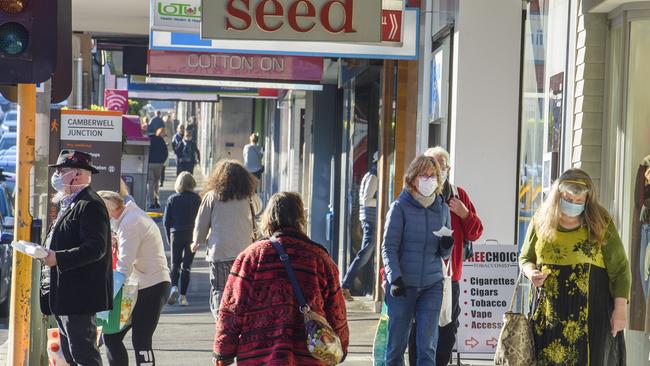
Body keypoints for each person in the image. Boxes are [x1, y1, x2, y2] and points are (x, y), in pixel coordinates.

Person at [212, 192, 349, 366]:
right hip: (307, 356)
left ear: (268, 217)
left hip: (259, 356)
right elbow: (336, 308)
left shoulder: (251, 256)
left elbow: (232, 307)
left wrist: (223, 351)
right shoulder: (319, 257)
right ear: (300, 218)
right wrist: (340, 346)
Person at [519, 168, 631, 365]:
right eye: (568, 199)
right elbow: (526, 258)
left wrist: (620, 309)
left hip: (592, 319)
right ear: (557, 195)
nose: (573, 204)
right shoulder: (541, 219)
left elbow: (620, 268)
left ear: (588, 200)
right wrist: (531, 273)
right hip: (547, 317)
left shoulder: (600, 222)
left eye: (579, 201)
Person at [407, 147, 484, 366]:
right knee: (419, 329)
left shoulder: (458, 196)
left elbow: (476, 232)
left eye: (442, 165)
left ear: (448, 168)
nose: (437, 169)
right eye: (432, 163)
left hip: (450, 278)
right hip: (420, 275)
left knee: (447, 331)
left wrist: (465, 214)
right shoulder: (415, 195)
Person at [40, 150, 112, 365]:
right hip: (65, 295)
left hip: (79, 296)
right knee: (72, 355)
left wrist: (58, 258)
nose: (58, 175)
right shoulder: (70, 202)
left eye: (63, 170)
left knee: (83, 354)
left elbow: (95, 248)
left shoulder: (90, 204)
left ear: (78, 174)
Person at [381, 154, 453, 366]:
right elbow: (388, 246)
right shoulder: (399, 207)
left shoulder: (442, 209)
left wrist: (447, 246)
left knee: (427, 346)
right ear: (413, 178)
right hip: (402, 286)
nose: (429, 180)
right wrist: (395, 278)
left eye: (433, 176)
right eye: (424, 175)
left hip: (432, 285)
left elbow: (444, 255)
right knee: (396, 346)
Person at [98, 191, 171, 366]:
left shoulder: (131, 223)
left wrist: (104, 298)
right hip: (142, 286)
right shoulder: (128, 217)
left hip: (152, 286)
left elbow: (124, 267)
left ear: (107, 210)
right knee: (112, 336)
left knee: (141, 339)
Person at [191, 159, 261, 320]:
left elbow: (202, 221)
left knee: (220, 289)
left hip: (220, 251)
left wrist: (197, 241)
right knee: (242, 288)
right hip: (245, 252)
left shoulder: (212, 196)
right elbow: (258, 209)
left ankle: (221, 320)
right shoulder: (249, 197)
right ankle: (240, 320)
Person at [342, 151, 379, 301]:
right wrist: (383, 201)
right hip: (371, 220)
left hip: (370, 219)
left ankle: (346, 285)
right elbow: (367, 199)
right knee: (364, 254)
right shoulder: (373, 177)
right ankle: (345, 285)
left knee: (367, 255)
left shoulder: (371, 175)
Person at [164, 172, 201, 306]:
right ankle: (183, 297)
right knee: (187, 266)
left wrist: (169, 237)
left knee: (175, 264)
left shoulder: (172, 199)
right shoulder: (197, 199)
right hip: (191, 234)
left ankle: (174, 287)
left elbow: (166, 221)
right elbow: (201, 220)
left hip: (176, 233)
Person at [147, 128, 168, 209]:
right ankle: (157, 201)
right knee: (156, 183)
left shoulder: (149, 140)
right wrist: (161, 161)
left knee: (151, 183)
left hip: (150, 164)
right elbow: (165, 152)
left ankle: (152, 202)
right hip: (159, 164)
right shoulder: (161, 141)